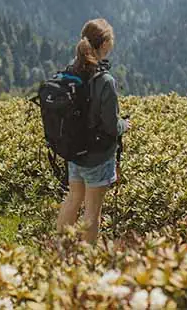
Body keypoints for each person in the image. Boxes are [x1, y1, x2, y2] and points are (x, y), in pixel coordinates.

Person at [55, 18, 130, 242]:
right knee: (92, 210)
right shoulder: (105, 80)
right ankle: (87, 260)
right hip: (97, 155)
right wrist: (124, 125)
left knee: (73, 198)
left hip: (74, 151)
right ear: (105, 44)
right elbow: (110, 125)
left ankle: (60, 252)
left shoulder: (71, 71)